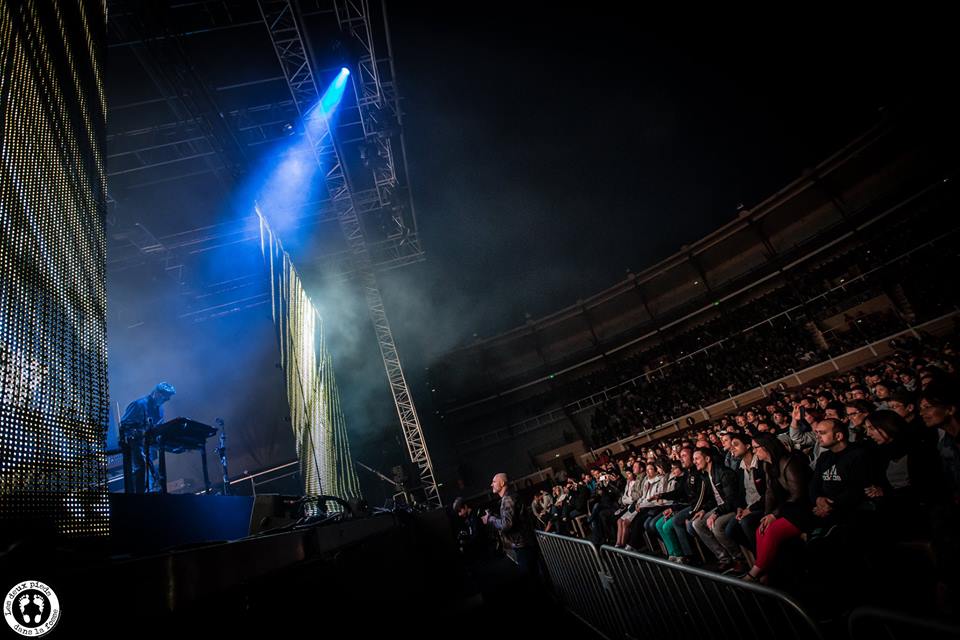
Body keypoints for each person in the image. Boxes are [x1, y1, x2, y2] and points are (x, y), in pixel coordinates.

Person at [119, 382, 176, 493]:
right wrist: (139, 432)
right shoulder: (139, 404)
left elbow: (157, 427)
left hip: (147, 445)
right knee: (141, 468)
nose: (166, 401)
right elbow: (124, 425)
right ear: (156, 393)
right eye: (165, 398)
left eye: (168, 399)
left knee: (151, 472)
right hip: (134, 443)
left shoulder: (160, 410)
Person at [483, 472, 536, 576]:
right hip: (523, 544)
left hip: (523, 546)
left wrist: (490, 518)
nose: (491, 484)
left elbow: (506, 524)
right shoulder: (508, 497)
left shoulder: (508, 499)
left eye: (494, 482)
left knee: (530, 577)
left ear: (502, 483)